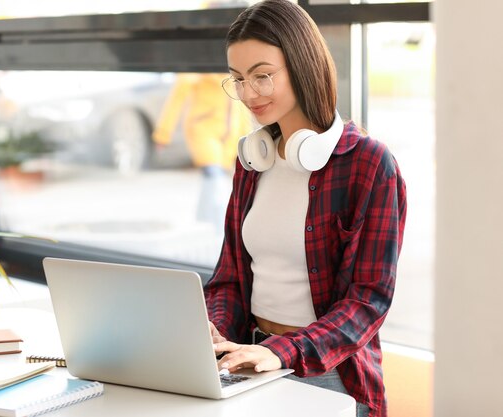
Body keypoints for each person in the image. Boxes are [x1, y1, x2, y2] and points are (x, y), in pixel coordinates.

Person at [204, 1, 407, 417]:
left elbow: (368, 301)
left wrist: (283, 352)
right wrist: (213, 330)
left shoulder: (368, 164)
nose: (247, 93)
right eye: (238, 79)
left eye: (262, 76)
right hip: (248, 359)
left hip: (329, 373)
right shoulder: (253, 162)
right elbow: (228, 278)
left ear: (301, 65)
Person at [152, 73, 251, 232]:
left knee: (214, 179)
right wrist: (163, 134)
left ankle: (205, 218)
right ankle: (222, 228)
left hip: (228, 138)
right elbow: (176, 100)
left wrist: (246, 136)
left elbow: (239, 107)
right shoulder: (195, 70)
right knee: (215, 178)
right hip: (202, 131)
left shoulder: (234, 71)